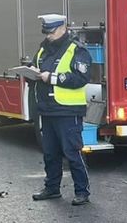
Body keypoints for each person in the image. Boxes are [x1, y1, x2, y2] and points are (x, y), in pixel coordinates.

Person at [30, 14, 94, 205]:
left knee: (72, 152)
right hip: (47, 110)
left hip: (68, 111)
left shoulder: (77, 50)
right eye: (46, 32)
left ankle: (82, 192)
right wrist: (30, 73)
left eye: (51, 32)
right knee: (50, 153)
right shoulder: (44, 48)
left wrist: (52, 78)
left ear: (62, 28)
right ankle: (52, 188)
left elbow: (81, 78)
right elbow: (37, 67)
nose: (48, 36)